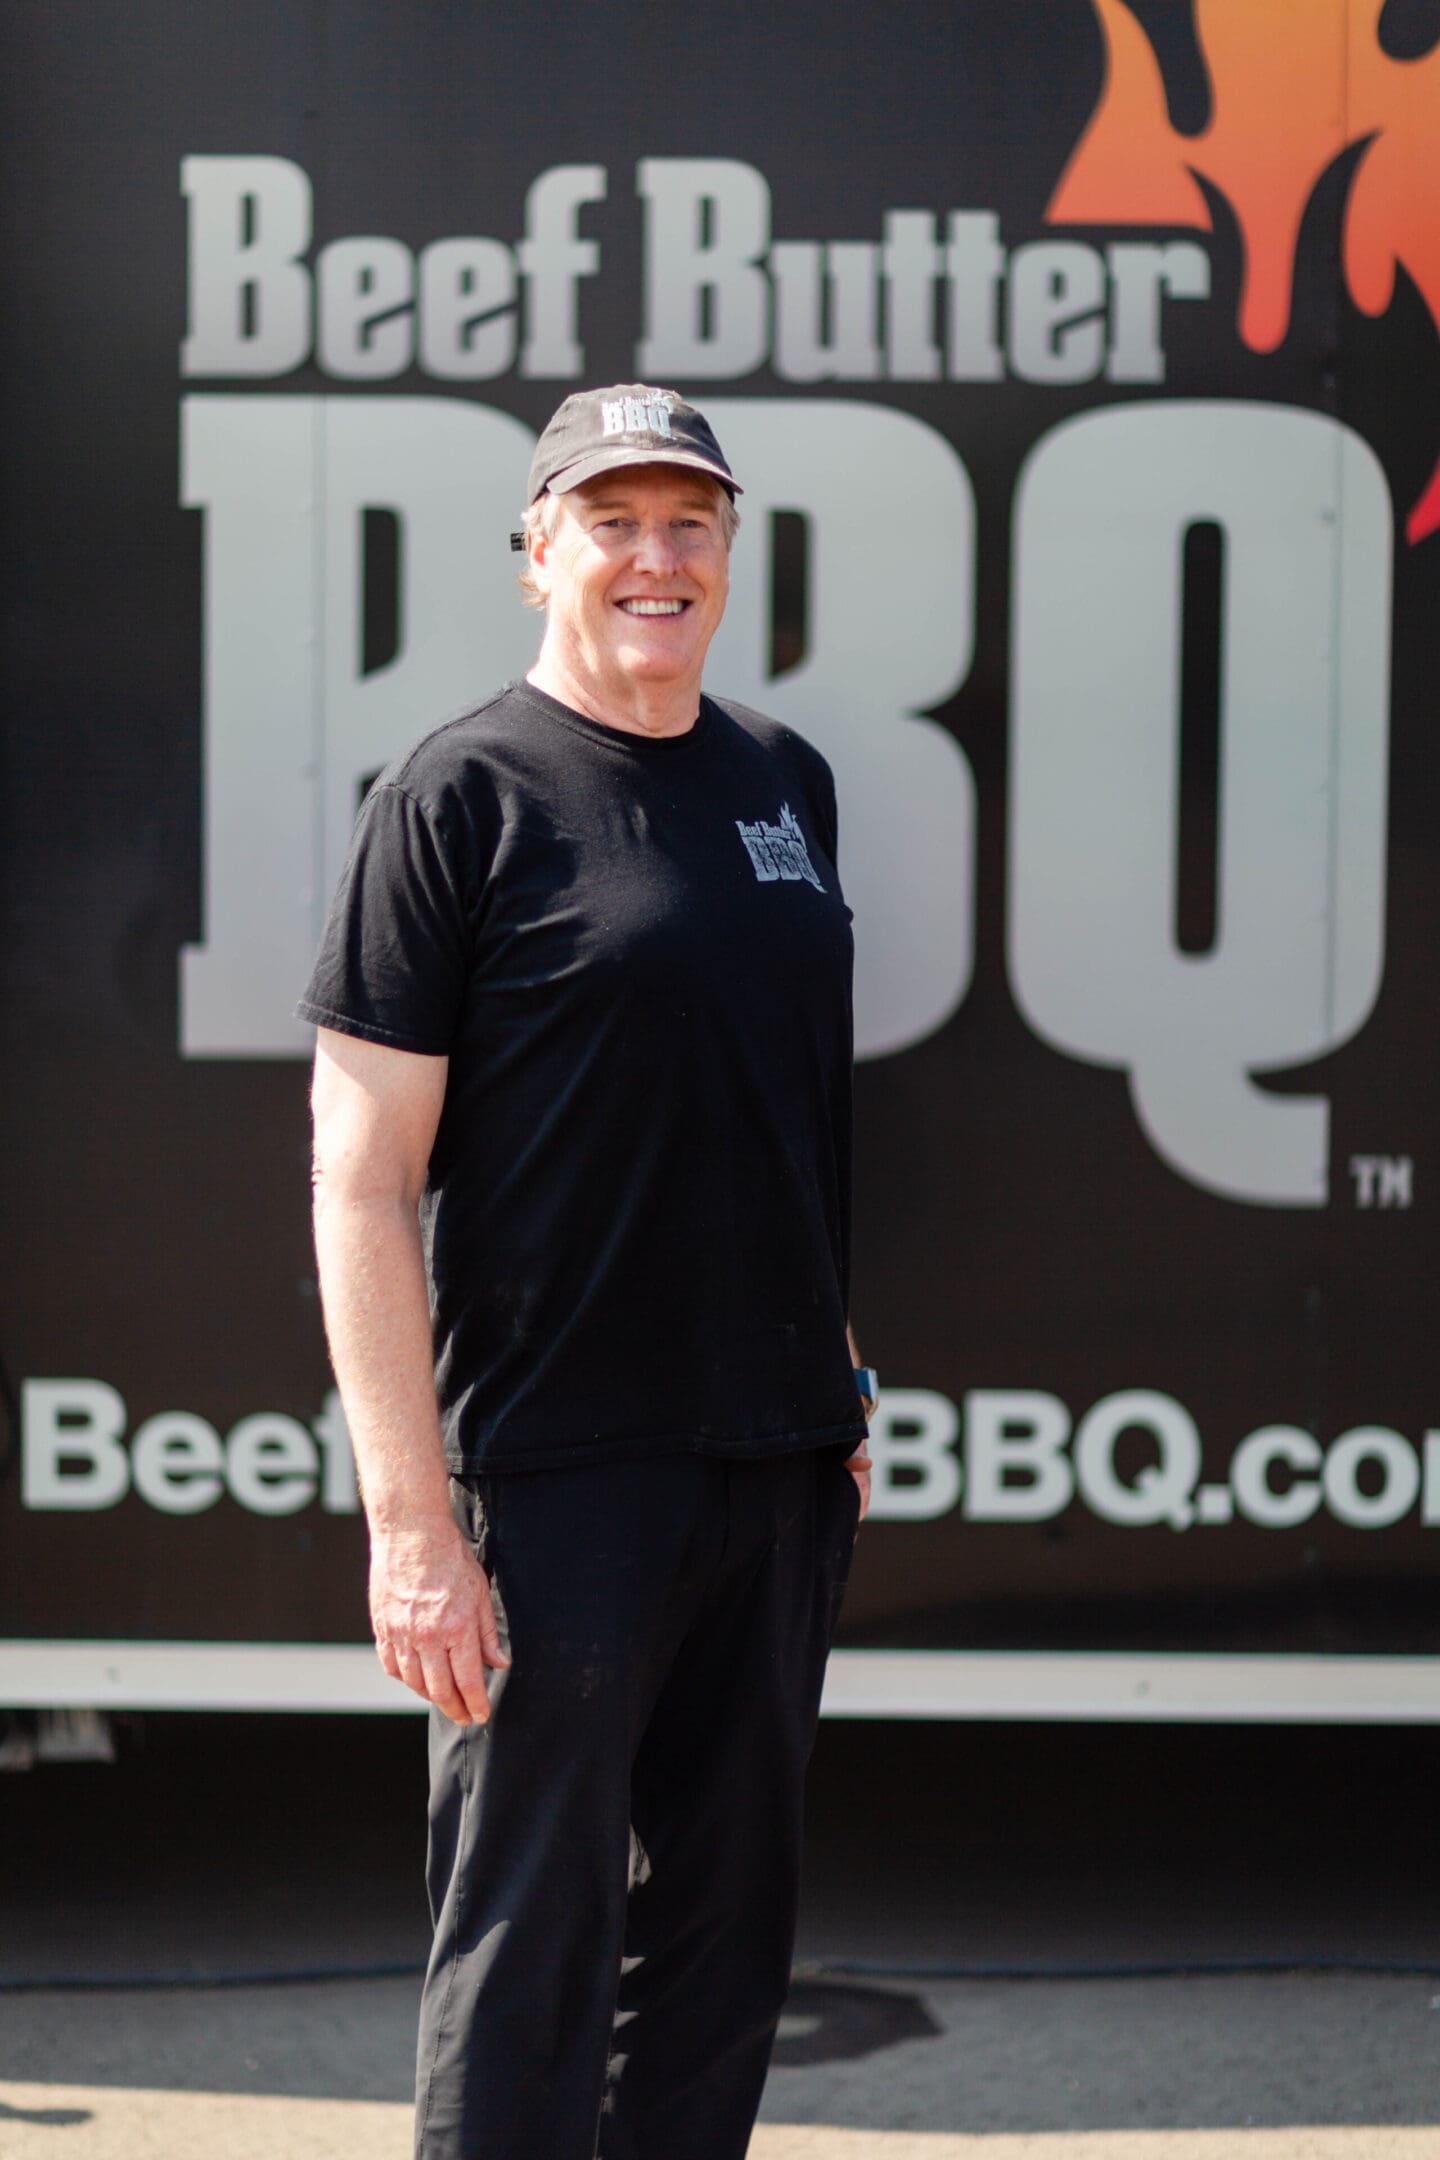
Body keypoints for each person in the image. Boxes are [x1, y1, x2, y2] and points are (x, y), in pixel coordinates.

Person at [301, 383, 875, 2160]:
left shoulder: (786, 780)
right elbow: (359, 1177)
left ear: (728, 552)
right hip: (558, 1478)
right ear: (539, 549)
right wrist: (413, 1528)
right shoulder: (459, 794)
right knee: (530, 1953)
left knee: (719, 1953)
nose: (656, 557)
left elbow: (768, 1096)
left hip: (773, 1465)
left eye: (689, 522)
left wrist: (836, 1371)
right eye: (613, 521)